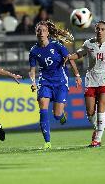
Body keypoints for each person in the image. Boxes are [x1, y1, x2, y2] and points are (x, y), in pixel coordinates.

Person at [29, 20, 82, 150]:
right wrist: (33, 82)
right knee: (43, 108)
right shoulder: (34, 51)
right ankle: (47, 142)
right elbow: (32, 69)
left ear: (48, 33)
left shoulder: (57, 45)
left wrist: (77, 75)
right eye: (39, 30)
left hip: (60, 82)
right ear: (36, 33)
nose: (41, 33)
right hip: (45, 81)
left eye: (43, 30)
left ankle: (61, 114)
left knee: (57, 115)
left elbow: (69, 59)